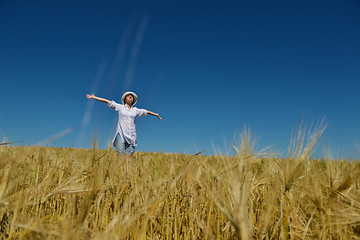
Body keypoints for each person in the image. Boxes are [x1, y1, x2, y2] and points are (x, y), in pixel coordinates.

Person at [86, 91, 162, 154]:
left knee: (129, 156)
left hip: (131, 135)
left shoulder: (135, 110)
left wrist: (156, 114)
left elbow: (146, 112)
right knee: (120, 153)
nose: (130, 96)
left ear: (133, 100)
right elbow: (106, 101)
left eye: (131, 96)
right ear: (125, 99)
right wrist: (94, 97)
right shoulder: (120, 107)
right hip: (121, 133)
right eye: (128, 95)